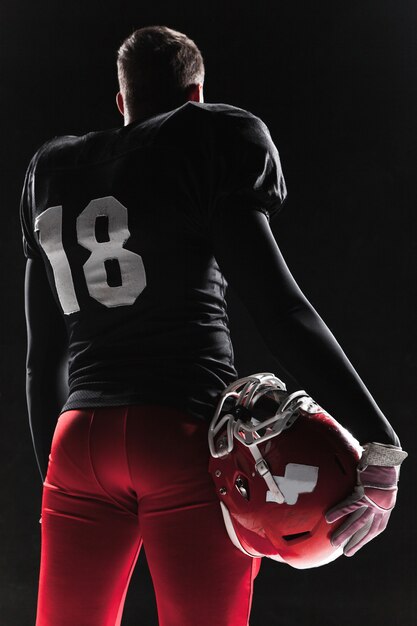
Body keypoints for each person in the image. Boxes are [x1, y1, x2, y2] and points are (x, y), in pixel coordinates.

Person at [21, 25, 406, 626]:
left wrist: (59, 484)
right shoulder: (209, 139)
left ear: (121, 103)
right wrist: (379, 443)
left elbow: (42, 359)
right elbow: (280, 310)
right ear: (197, 95)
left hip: (77, 440)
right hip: (182, 433)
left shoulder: (51, 168)